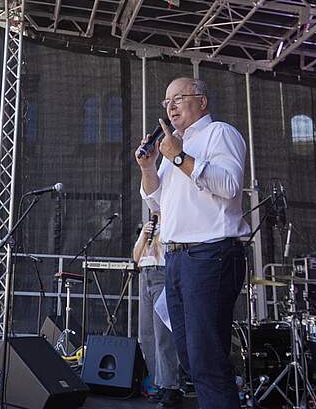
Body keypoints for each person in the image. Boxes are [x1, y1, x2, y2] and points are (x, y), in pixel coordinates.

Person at [137, 76, 248, 409]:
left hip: (210, 255)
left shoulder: (220, 134)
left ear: (202, 101)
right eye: (166, 102)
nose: (171, 107)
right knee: (190, 357)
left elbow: (229, 184)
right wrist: (148, 167)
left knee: (207, 358)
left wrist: (176, 157)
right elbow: (158, 203)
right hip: (176, 259)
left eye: (179, 99)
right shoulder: (175, 146)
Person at [133, 216, 180, 405]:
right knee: (146, 335)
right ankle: (158, 383)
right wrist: (144, 236)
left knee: (163, 336)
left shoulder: (173, 221)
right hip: (145, 276)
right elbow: (135, 257)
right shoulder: (148, 227)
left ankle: (172, 386)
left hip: (163, 274)